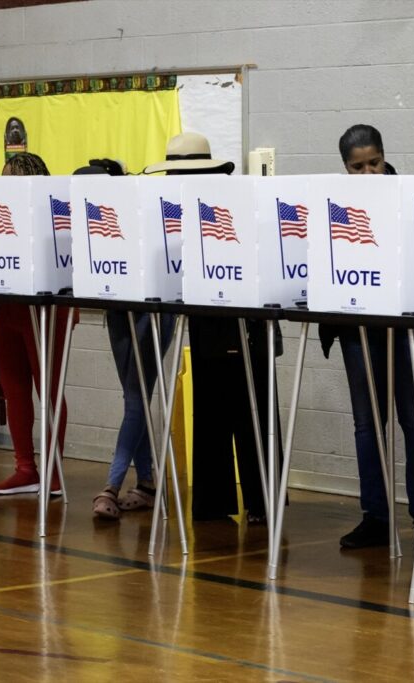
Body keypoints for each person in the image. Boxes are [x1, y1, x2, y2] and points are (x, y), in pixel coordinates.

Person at [144, 132, 278, 525]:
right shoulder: (175, 207)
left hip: (246, 320)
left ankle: (261, 500)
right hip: (206, 321)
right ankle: (213, 501)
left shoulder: (236, 203)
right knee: (211, 410)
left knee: (252, 412)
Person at [322, 124, 414, 549]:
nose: (369, 173)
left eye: (374, 162)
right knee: (367, 426)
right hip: (360, 330)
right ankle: (375, 515)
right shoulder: (334, 206)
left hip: (413, 331)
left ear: (385, 156)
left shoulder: (412, 196)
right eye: (358, 167)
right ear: (345, 168)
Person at [73, 159, 178, 519]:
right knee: (134, 398)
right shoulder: (91, 219)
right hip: (116, 308)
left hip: (154, 310)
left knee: (135, 399)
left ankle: (111, 485)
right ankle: (147, 482)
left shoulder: (141, 212)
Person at [0, 152, 76, 496]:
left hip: (47, 309)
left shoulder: (53, 210)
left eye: (10, 177)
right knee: (14, 391)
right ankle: (25, 468)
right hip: (8, 307)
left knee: (50, 390)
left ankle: (53, 472)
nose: (4, 183)